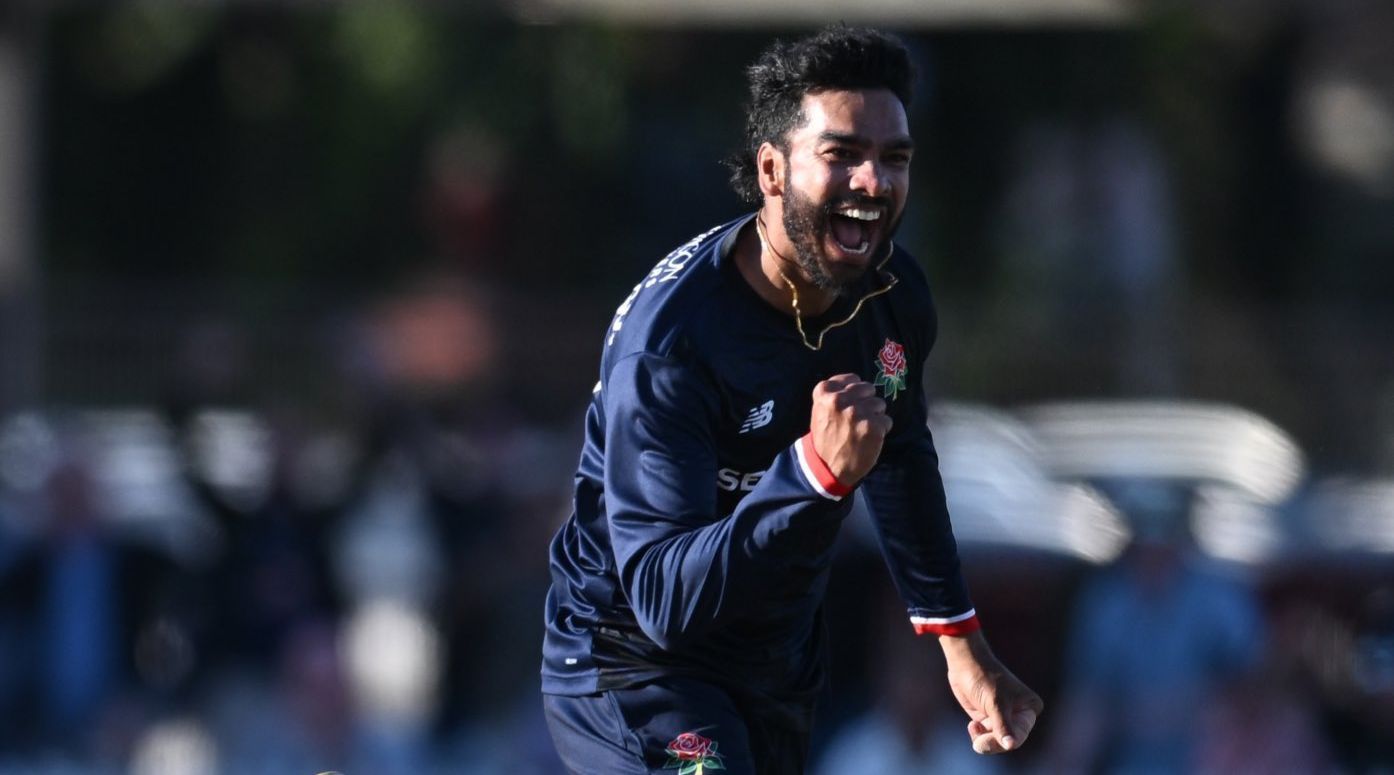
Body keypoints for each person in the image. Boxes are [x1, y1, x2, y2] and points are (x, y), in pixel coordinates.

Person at [540, 26, 1041, 774]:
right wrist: (814, 472)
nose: (873, 183)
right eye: (842, 155)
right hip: (634, 663)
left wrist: (961, 647)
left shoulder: (893, 298)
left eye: (894, 158)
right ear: (773, 170)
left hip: (777, 663)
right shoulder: (674, 343)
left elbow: (899, 455)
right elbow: (663, 599)